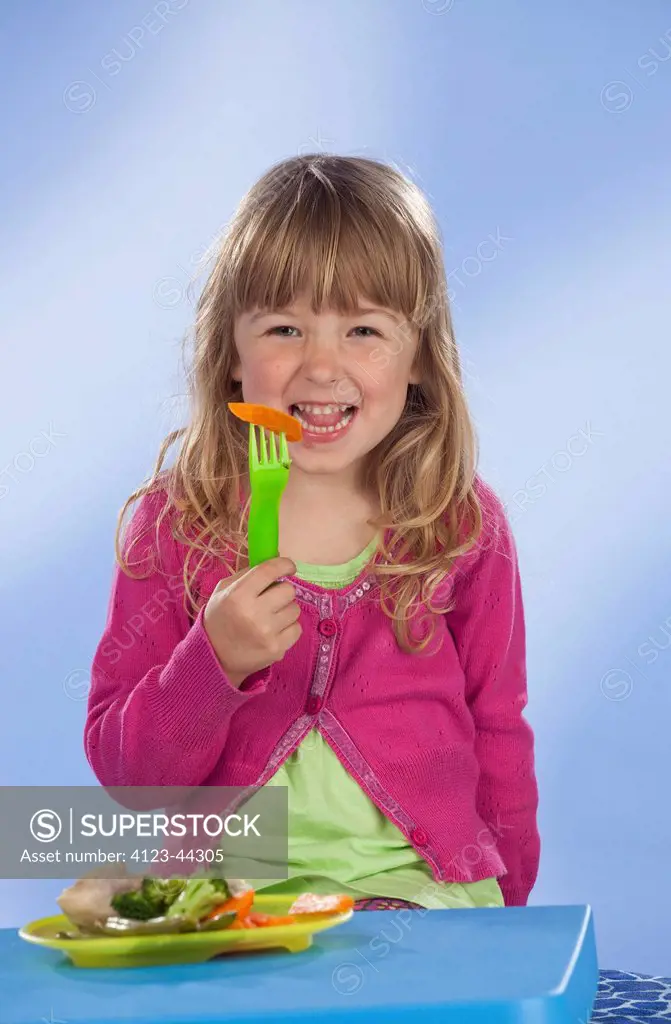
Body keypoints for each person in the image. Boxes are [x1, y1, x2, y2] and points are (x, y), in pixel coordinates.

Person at [84, 154, 540, 912]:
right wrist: (212, 663)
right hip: (227, 892)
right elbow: (131, 779)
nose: (322, 367)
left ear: (420, 356)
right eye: (285, 328)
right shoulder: (175, 526)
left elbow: (497, 726)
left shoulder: (460, 524)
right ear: (230, 353)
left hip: (415, 890)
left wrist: (514, 918)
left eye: (363, 329)